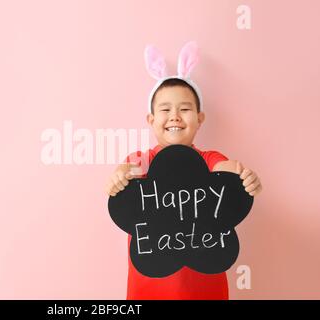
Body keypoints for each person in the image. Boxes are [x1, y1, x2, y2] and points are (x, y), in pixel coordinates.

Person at [105, 42, 263, 300]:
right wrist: (118, 179)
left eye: (185, 109)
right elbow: (125, 175)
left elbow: (228, 173)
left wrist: (246, 179)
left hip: (204, 286)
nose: (175, 116)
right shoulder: (141, 161)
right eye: (165, 110)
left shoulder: (210, 160)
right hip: (149, 285)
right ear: (151, 119)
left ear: (200, 118)